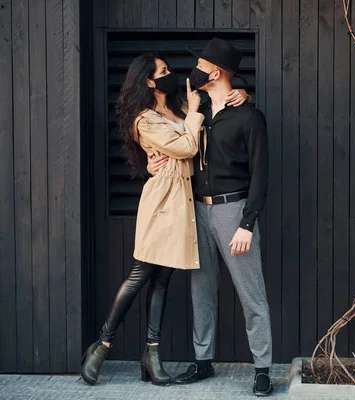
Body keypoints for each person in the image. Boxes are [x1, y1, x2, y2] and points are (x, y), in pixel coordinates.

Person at [80, 52, 248, 386]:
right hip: (162, 205)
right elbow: (187, 147)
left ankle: (151, 354)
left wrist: (243, 94)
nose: (171, 74)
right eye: (164, 71)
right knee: (140, 275)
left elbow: (204, 130)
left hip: (184, 206)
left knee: (163, 280)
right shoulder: (144, 119)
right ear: (148, 80)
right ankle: (102, 344)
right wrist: (194, 115)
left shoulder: (181, 108)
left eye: (169, 69)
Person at [148, 38, 273, 396]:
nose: (195, 69)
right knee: (200, 288)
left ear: (215, 72)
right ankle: (203, 362)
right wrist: (148, 160)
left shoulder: (249, 116)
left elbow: (260, 176)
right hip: (195, 210)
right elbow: (159, 127)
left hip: (233, 211)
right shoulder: (194, 107)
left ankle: (262, 368)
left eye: (202, 64)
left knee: (252, 294)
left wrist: (247, 223)